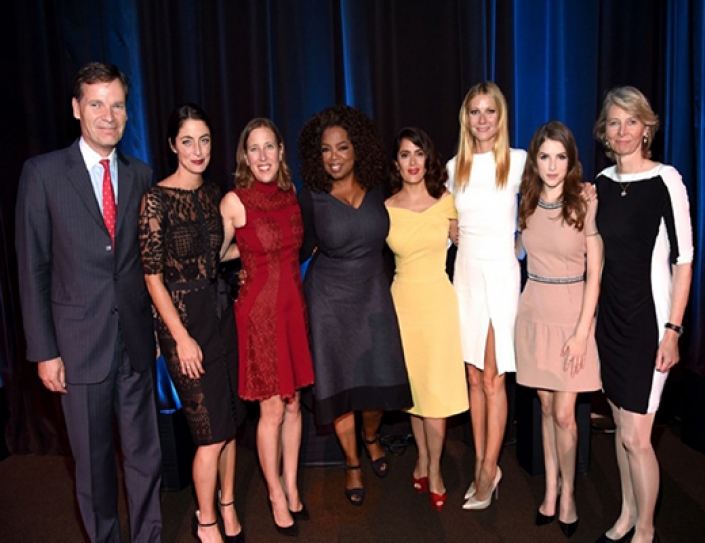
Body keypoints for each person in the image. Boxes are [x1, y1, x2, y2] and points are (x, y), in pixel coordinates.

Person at [15, 62, 162, 542]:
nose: (108, 115)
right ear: (77, 109)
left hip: (135, 343)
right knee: (95, 467)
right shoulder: (42, 174)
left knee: (145, 458)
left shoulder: (141, 175)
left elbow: (145, 264)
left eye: (117, 105)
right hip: (77, 349)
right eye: (96, 104)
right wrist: (45, 351)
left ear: (127, 112)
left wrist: (155, 329)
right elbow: (32, 268)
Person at [297, 105, 413, 506]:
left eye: (342, 147)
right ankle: (351, 462)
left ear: (356, 149)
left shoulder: (380, 189)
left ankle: (371, 437)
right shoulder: (311, 198)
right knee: (340, 386)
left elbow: (418, 198)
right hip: (329, 302)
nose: (334, 157)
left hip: (373, 295)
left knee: (377, 382)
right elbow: (295, 250)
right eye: (326, 149)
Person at [140, 104, 244, 543]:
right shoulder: (156, 200)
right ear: (172, 145)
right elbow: (152, 277)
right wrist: (179, 338)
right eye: (187, 141)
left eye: (204, 140)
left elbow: (215, 257)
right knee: (210, 433)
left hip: (220, 312)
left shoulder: (213, 192)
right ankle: (205, 521)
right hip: (183, 321)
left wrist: (260, 253)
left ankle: (227, 504)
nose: (197, 150)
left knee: (231, 418)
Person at [592, 87, 693, 543]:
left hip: (649, 324)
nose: (623, 131)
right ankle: (627, 514)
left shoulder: (666, 180)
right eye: (614, 123)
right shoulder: (601, 182)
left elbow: (684, 259)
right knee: (621, 425)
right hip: (610, 321)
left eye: (631, 121)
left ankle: (647, 530)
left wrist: (673, 330)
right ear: (605, 132)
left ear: (646, 128)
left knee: (637, 436)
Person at [220, 118, 314, 538]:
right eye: (254, 149)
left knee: (294, 404)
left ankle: (292, 486)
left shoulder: (290, 193)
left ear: (280, 151)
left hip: (293, 309)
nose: (262, 156)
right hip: (260, 314)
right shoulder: (235, 201)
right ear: (245, 156)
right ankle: (274, 494)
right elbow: (214, 254)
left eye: (269, 147)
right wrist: (244, 261)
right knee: (272, 410)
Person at [515, 121, 603, 538]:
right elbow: (516, 249)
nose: (552, 165)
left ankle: (569, 495)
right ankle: (549, 490)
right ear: (535, 160)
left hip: (571, 318)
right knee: (547, 409)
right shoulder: (526, 203)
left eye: (561, 156)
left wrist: (583, 332)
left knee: (566, 415)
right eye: (545, 156)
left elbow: (596, 272)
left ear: (571, 161)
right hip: (534, 312)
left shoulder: (584, 203)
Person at [446, 81, 527, 510]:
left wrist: (519, 246)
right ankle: (481, 462)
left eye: (489, 111)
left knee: (494, 377)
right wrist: (449, 231)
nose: (482, 119)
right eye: (475, 111)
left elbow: (542, 208)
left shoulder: (518, 162)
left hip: (500, 275)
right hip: (466, 276)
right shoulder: (453, 167)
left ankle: (489, 468)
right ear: (466, 118)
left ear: (500, 116)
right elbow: (444, 223)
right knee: (474, 377)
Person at [385, 127, 469, 511]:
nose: (413, 162)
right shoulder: (385, 209)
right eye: (405, 154)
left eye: (419, 153)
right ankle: (422, 458)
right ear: (396, 163)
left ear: (428, 159)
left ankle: (435, 469)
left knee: (435, 397)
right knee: (414, 395)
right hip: (402, 308)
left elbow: (472, 239)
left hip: (438, 307)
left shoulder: (447, 201)